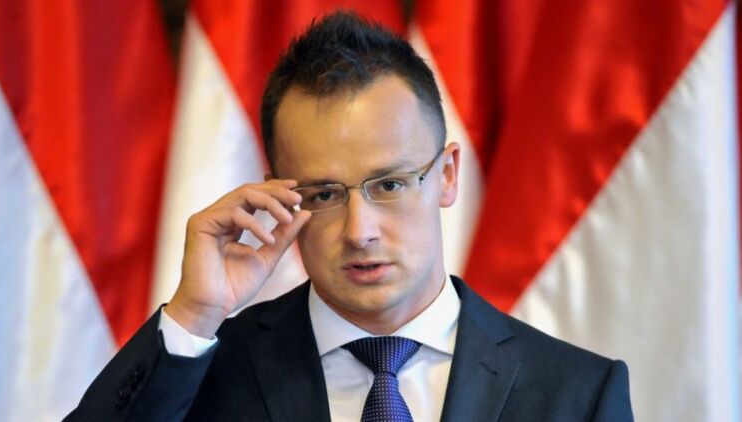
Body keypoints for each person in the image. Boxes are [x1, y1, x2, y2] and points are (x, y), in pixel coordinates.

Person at [66, 11, 633, 422]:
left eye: (389, 185)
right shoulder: (200, 372)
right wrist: (193, 315)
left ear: (447, 175)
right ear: (278, 198)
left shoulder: (575, 394)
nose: (359, 232)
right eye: (323, 195)